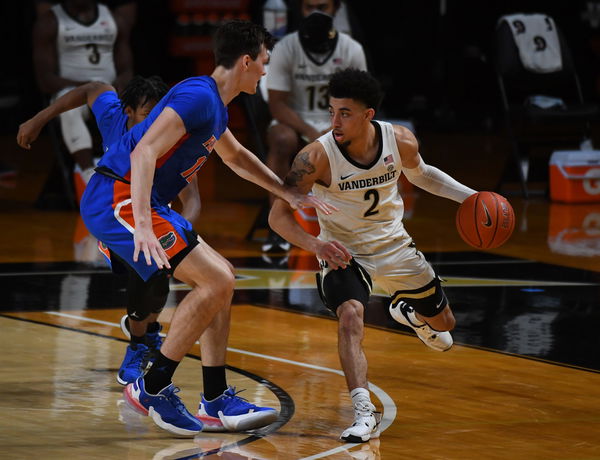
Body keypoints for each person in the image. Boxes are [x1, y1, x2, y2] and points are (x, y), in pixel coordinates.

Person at [51, 20, 332, 437]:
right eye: (264, 63)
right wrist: (144, 223)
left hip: (138, 199)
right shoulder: (199, 95)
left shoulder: (214, 104)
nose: (265, 72)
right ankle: (153, 387)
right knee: (214, 280)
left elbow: (236, 158)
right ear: (246, 61)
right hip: (118, 197)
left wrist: (286, 193)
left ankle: (216, 398)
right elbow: (145, 151)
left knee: (223, 282)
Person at [268, 68, 478, 443]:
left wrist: (471, 198)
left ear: (369, 115)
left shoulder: (400, 139)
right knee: (350, 316)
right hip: (344, 252)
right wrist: (317, 245)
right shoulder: (315, 156)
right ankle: (363, 412)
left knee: (445, 325)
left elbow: (423, 175)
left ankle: (409, 312)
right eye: (331, 111)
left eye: (345, 113)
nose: (334, 121)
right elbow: (277, 215)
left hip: (395, 245)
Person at [16, 76, 204, 387]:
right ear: (128, 111)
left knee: (158, 273)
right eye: (148, 115)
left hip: (155, 214)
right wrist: (39, 119)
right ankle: (139, 341)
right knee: (147, 267)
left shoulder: (172, 136)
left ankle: (143, 332)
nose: (156, 121)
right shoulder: (112, 117)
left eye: (161, 114)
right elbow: (92, 88)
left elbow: (192, 199)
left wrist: (183, 235)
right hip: (113, 210)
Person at [261, 0, 367, 253]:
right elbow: (277, 105)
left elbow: (361, 103)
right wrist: (311, 132)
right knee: (281, 139)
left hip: (339, 121)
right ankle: (277, 227)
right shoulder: (285, 47)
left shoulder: (351, 49)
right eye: (309, 7)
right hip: (296, 121)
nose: (316, 12)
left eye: (323, 6)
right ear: (300, 9)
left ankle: (365, 226)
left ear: (336, 9)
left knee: (369, 140)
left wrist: (337, 128)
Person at [32, 0, 134, 204]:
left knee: (138, 108)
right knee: (68, 109)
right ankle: (89, 177)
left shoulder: (114, 19)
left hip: (108, 92)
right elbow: (46, 80)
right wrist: (87, 88)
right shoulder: (50, 22)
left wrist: (113, 87)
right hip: (71, 93)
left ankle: (133, 176)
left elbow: (126, 71)